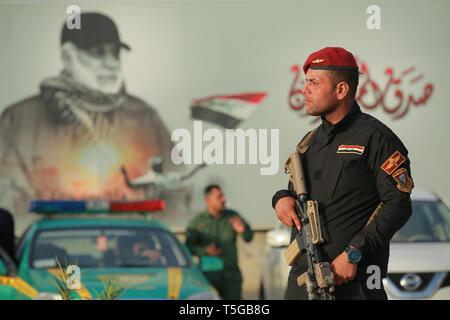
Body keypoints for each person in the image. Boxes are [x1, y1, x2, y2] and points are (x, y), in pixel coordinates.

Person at [0, 12, 190, 232]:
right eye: (98, 53)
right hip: (54, 249)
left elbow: (178, 188)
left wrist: (151, 237)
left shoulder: (145, 117)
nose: (111, 64)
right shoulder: (19, 120)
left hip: (129, 248)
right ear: (68, 56)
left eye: (115, 53)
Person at [272, 47, 413, 300]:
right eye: (306, 83)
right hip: (303, 285)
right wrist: (281, 198)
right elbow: (296, 194)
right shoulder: (309, 142)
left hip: (355, 285)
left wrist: (354, 253)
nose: (304, 90)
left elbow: (398, 204)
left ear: (341, 90)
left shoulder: (377, 140)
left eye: (314, 83)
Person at [186, 185, 253, 300]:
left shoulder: (232, 216)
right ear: (208, 200)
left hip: (231, 277)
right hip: (208, 276)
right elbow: (187, 249)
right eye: (219, 197)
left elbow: (249, 237)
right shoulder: (196, 223)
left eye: (223, 196)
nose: (224, 199)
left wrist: (243, 230)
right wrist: (205, 251)